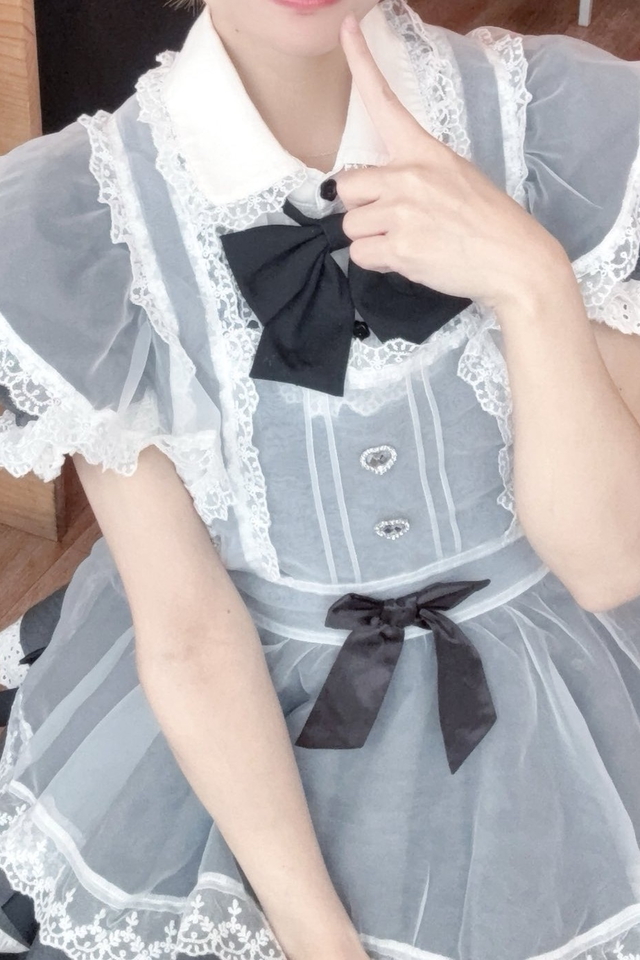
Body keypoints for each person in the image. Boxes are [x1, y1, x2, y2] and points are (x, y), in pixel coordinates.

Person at [0, 0, 639, 957]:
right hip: (249, 745)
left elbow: (611, 562)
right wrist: (319, 940)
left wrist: (531, 281)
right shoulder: (80, 223)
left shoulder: (558, 123)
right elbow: (188, 630)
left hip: (573, 710)